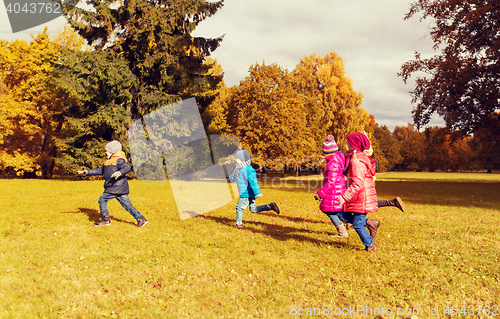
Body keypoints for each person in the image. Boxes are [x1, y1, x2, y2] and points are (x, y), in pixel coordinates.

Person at [77, 140, 148, 227]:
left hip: (115, 186)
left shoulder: (118, 160)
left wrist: (119, 172)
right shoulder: (108, 161)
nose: (105, 152)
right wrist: (87, 172)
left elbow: (127, 167)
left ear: (112, 151)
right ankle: (141, 219)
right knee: (127, 205)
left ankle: (106, 219)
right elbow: (100, 170)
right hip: (119, 188)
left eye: (107, 150)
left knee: (102, 199)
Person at [338, 133, 380, 252]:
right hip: (358, 196)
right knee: (342, 215)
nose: (345, 144)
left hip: (362, 197)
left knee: (357, 224)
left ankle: (370, 245)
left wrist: (344, 197)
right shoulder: (354, 158)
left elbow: (358, 182)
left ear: (352, 145)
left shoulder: (357, 160)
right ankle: (370, 223)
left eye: (347, 142)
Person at [227, 149, 280, 228]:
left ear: (242, 159)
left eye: (237, 158)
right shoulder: (239, 168)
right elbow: (235, 176)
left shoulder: (248, 169)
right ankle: (270, 206)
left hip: (246, 193)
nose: (235, 159)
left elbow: (253, 181)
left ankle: (239, 224)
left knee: (239, 207)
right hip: (247, 193)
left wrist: (257, 192)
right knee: (253, 209)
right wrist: (229, 178)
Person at [314, 135, 348, 237]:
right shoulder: (338, 158)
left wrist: (321, 193)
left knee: (330, 211)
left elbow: (331, 182)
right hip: (338, 188)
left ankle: (342, 232)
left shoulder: (332, 163)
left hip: (333, 191)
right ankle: (357, 224)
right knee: (338, 211)